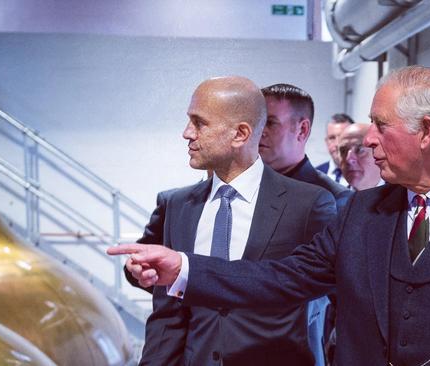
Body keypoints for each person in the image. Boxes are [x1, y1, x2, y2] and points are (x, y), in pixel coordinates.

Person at [110, 66, 430, 366]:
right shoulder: (361, 213)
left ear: (427, 132)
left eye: (380, 125)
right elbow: (279, 278)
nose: (368, 140)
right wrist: (183, 268)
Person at [136, 76, 336, 366]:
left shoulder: (308, 204)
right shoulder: (180, 206)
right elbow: (168, 317)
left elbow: (333, 299)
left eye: (199, 123)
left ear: (240, 134)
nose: (186, 133)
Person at [260, 83, 349, 366]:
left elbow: (343, 296)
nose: (258, 132)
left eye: (270, 123)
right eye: (256, 122)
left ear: (302, 130)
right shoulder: (241, 193)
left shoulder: (335, 200)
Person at [337, 123, 384, 191]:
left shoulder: (402, 197)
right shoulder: (333, 199)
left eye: (360, 150)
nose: (348, 159)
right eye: (343, 151)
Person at [315, 113, 353, 186]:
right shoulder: (314, 175)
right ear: (326, 142)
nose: (337, 144)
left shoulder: (366, 175)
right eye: (332, 138)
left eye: (343, 136)